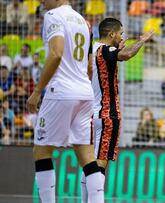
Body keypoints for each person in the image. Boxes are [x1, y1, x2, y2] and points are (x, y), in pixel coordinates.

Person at [26, 0, 104, 202]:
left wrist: (37, 91)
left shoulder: (53, 16)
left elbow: (56, 53)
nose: (41, 1)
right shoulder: (83, 21)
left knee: (42, 150)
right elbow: (89, 65)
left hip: (60, 91)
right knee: (86, 154)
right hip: (84, 92)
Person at [80, 17, 154, 202]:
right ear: (111, 33)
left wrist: (118, 48)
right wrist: (142, 41)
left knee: (89, 165)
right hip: (108, 116)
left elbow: (108, 59)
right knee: (99, 167)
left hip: (92, 115)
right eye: (120, 33)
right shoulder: (107, 50)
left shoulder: (95, 50)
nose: (122, 36)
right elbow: (126, 55)